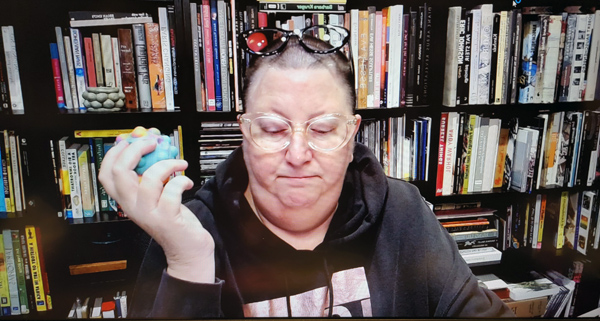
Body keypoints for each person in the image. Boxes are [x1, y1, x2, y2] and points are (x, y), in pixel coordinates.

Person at [98, 25, 514, 318]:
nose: (297, 153)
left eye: (324, 128)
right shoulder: (188, 231)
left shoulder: (402, 211)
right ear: (244, 132)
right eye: (273, 129)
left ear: (352, 134)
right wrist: (190, 263)